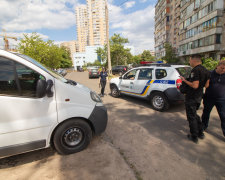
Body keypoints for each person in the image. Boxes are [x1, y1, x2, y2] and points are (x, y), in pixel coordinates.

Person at [180, 54, 210, 143]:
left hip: (192, 97)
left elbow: (194, 85)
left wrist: (184, 80)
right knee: (194, 115)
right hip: (199, 97)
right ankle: (200, 132)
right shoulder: (206, 71)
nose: (189, 62)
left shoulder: (195, 70)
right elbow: (207, 85)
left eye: (190, 60)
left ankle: (194, 136)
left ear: (194, 60)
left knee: (191, 117)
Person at [201, 60, 225, 137]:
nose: (223, 70)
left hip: (221, 99)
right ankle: (203, 127)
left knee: (223, 116)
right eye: (222, 68)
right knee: (206, 113)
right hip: (209, 98)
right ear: (217, 66)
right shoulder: (210, 73)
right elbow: (205, 85)